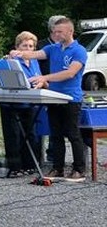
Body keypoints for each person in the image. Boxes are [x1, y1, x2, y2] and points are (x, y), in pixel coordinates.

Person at [10, 17, 88, 181]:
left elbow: (70, 73)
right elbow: (35, 53)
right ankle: (57, 168)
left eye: (60, 31)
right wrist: (19, 53)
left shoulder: (79, 50)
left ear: (70, 32)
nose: (57, 34)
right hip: (54, 98)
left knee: (73, 134)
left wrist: (45, 77)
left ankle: (79, 169)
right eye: (55, 31)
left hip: (71, 98)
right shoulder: (53, 48)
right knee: (55, 134)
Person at [0, 31, 45, 177]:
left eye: (31, 46)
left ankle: (30, 165)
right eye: (24, 45)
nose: (28, 48)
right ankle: (15, 167)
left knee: (31, 134)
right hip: (13, 103)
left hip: (31, 102)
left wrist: (40, 82)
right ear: (17, 47)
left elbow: (39, 77)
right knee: (14, 135)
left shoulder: (35, 61)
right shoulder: (11, 61)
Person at [37, 15, 66, 165]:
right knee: (44, 122)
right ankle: (39, 156)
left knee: (60, 124)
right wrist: (43, 82)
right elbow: (35, 66)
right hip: (43, 87)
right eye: (57, 28)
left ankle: (55, 154)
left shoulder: (68, 46)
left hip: (63, 89)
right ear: (51, 29)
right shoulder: (42, 45)